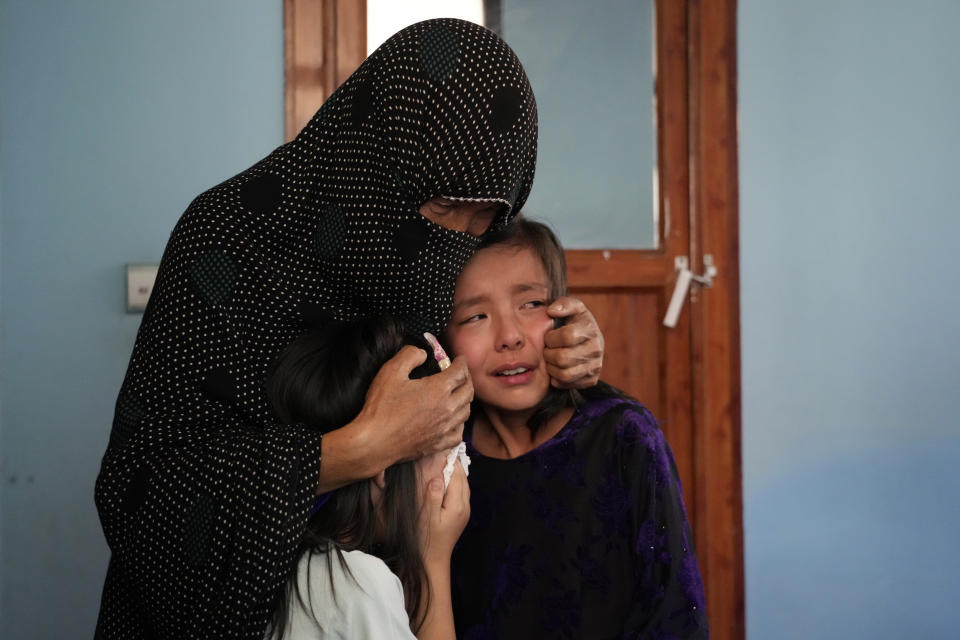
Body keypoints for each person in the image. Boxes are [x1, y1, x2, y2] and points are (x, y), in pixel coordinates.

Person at [94, 19, 603, 639]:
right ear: (378, 163)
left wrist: (563, 354)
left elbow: (484, 352)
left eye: (485, 222)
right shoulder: (228, 240)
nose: (462, 244)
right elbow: (139, 496)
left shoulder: (436, 252)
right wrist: (360, 448)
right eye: (444, 212)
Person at [445, 218, 708, 639]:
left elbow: (674, 609)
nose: (509, 336)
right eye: (475, 316)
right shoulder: (441, 464)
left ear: (565, 312)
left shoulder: (624, 435)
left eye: (530, 305)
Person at [265, 316, 468, 640]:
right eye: (448, 445)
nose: (459, 464)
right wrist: (433, 564)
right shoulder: (359, 585)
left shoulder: (282, 562)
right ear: (383, 463)